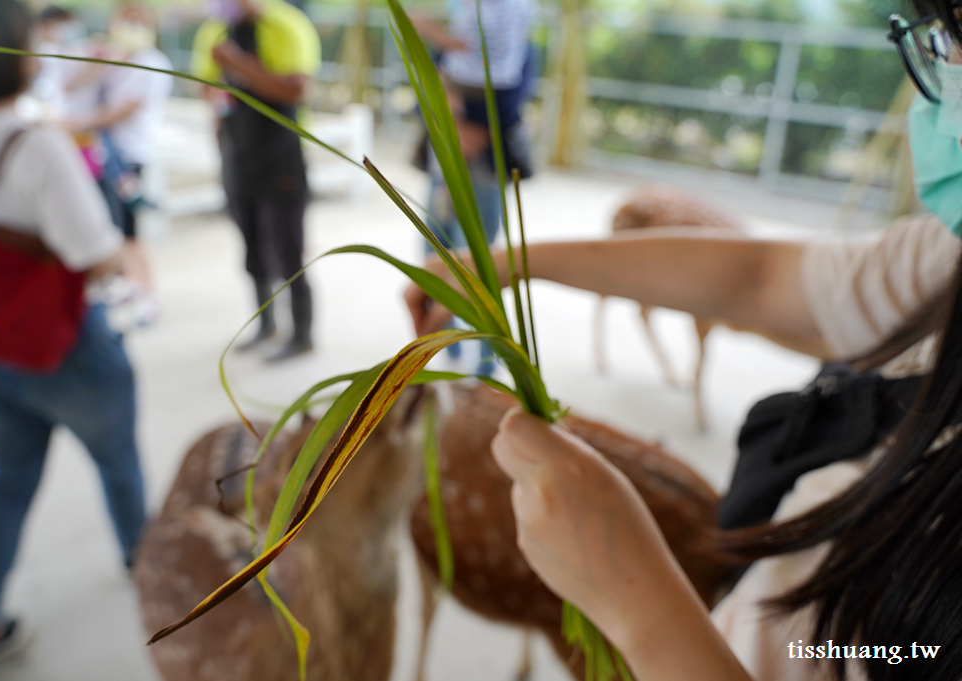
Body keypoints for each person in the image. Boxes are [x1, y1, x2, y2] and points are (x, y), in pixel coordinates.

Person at [404, 1, 962, 677]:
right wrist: (507, 262)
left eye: (952, 44)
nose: (943, 78)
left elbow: (888, 652)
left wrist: (639, 605)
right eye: (941, 41)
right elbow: (764, 278)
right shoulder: (946, 252)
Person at [0, 1, 146, 675]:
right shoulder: (36, 143)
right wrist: (134, 258)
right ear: (18, 52)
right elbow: (96, 255)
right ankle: (144, 567)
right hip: (62, 349)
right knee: (118, 460)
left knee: (6, 477)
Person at [411, 0, 536, 376]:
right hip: (443, 163)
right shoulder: (456, 40)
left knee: (480, 259)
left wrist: (469, 129)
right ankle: (442, 346)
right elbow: (427, 85)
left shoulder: (513, 44)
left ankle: (486, 362)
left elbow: (511, 100)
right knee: (434, 249)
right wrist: (446, 114)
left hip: (482, 164)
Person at [191, 0, 321, 361]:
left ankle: (302, 332)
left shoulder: (286, 24)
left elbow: (296, 89)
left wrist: (241, 67)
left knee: (288, 248)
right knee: (251, 246)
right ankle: (266, 324)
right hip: (238, 154)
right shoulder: (215, 29)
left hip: (280, 155)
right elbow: (206, 87)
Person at [66, 2, 173, 306]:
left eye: (138, 19)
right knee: (112, 228)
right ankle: (131, 288)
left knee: (130, 231)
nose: (131, 26)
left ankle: (147, 292)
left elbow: (126, 109)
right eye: (126, 18)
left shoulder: (152, 62)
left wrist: (76, 122)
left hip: (129, 154)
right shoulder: (112, 58)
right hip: (100, 152)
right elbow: (70, 86)